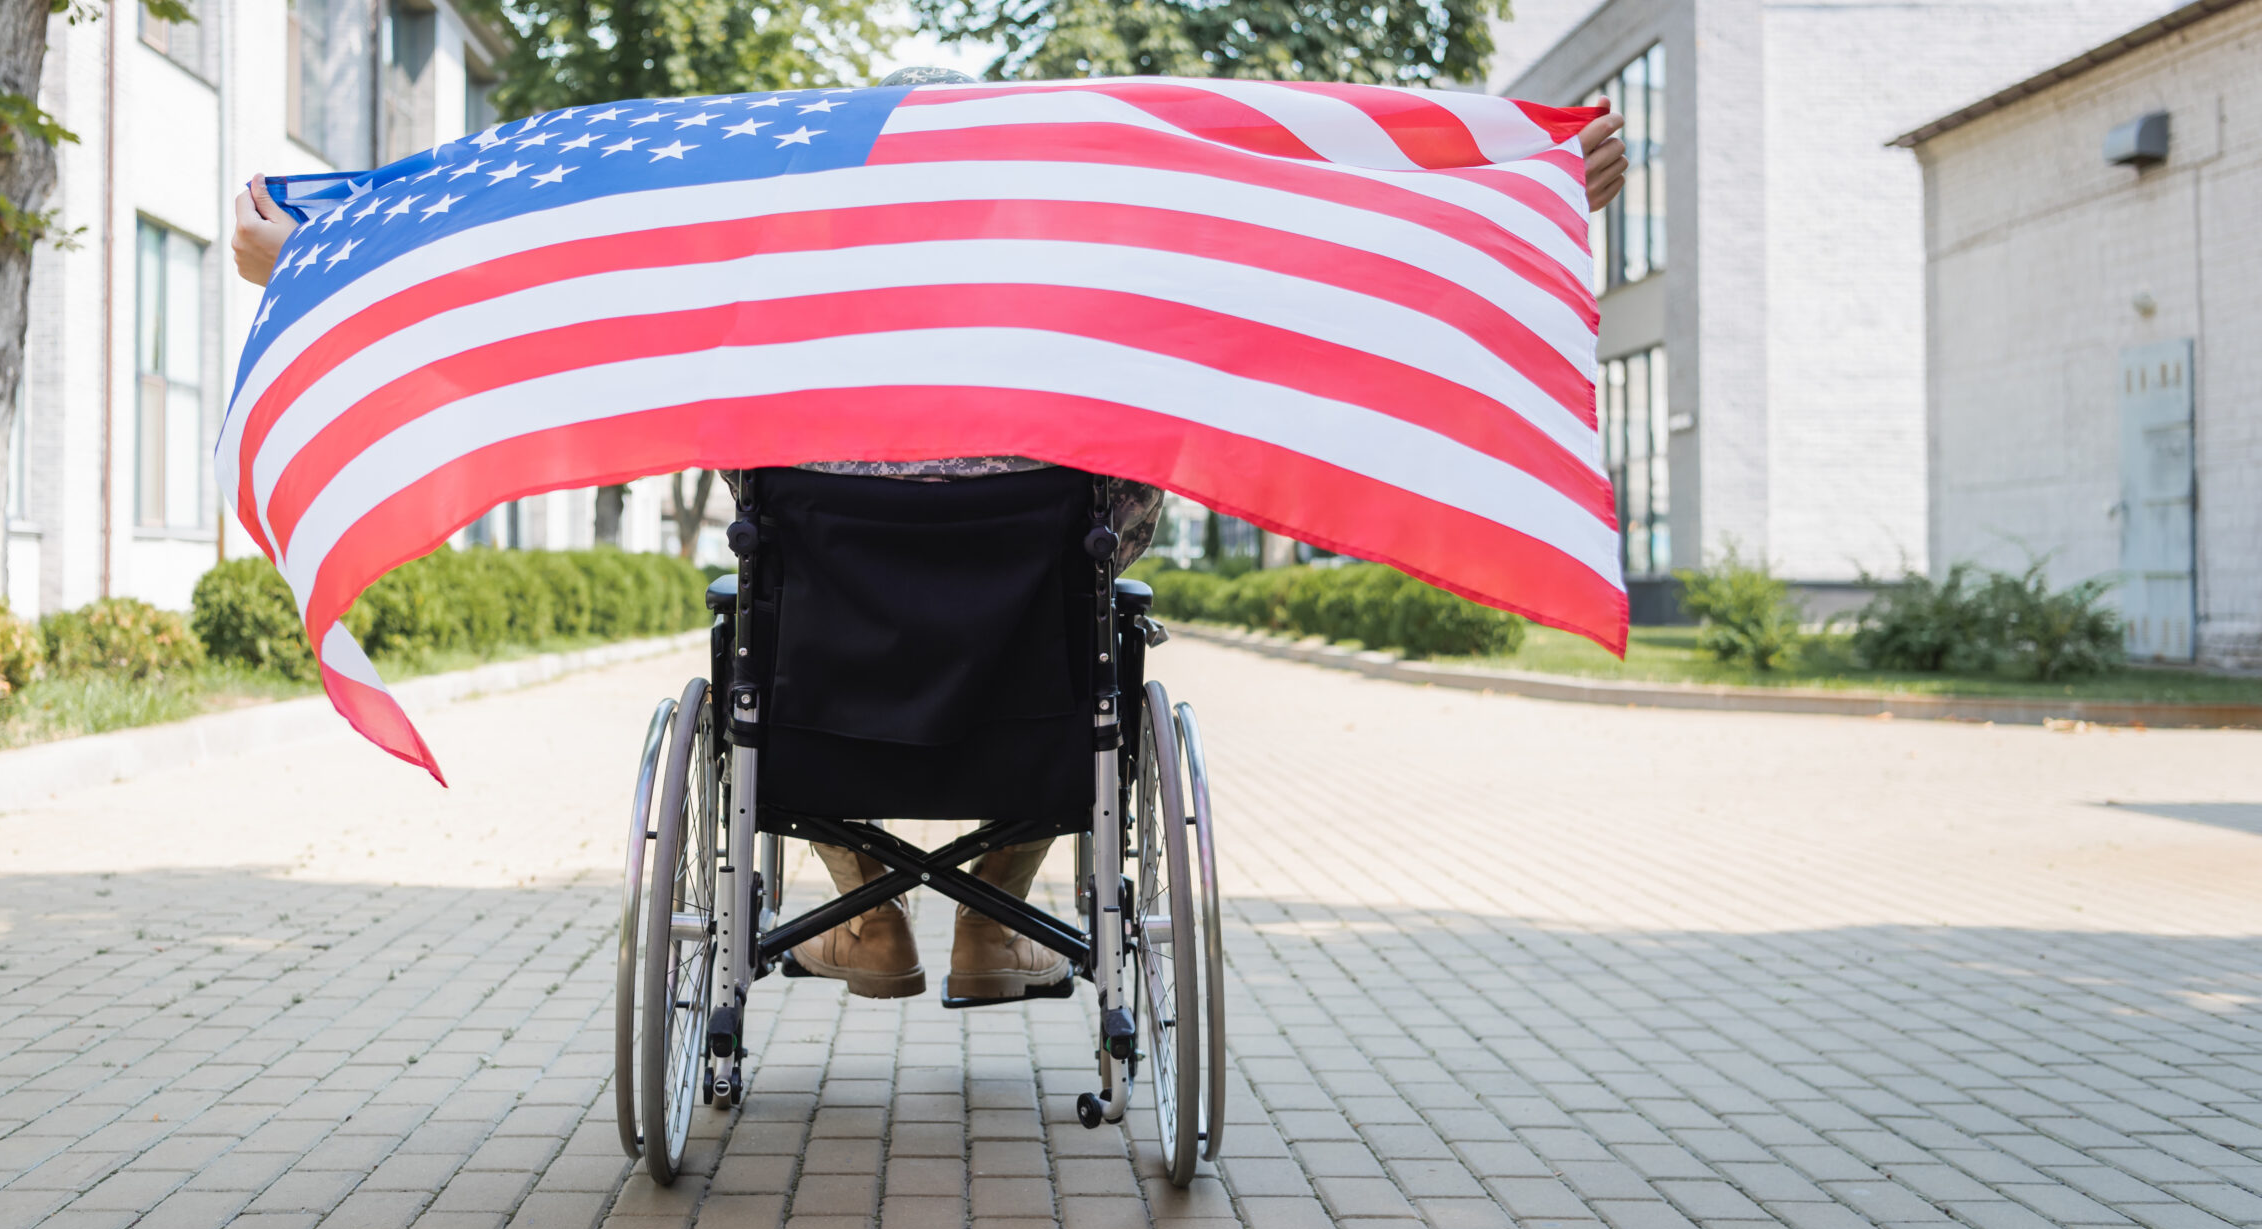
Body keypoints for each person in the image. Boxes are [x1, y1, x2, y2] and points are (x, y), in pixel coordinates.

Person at [233, 70, 1627, 1002]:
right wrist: (1513, 199)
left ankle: (864, 907)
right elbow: (1307, 289)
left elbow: (541, 282)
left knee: (761, 626)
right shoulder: (1075, 377)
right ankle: (997, 918)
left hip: (825, 697)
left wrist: (323, 253)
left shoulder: (778, 372)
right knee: (1097, 623)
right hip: (1031, 696)